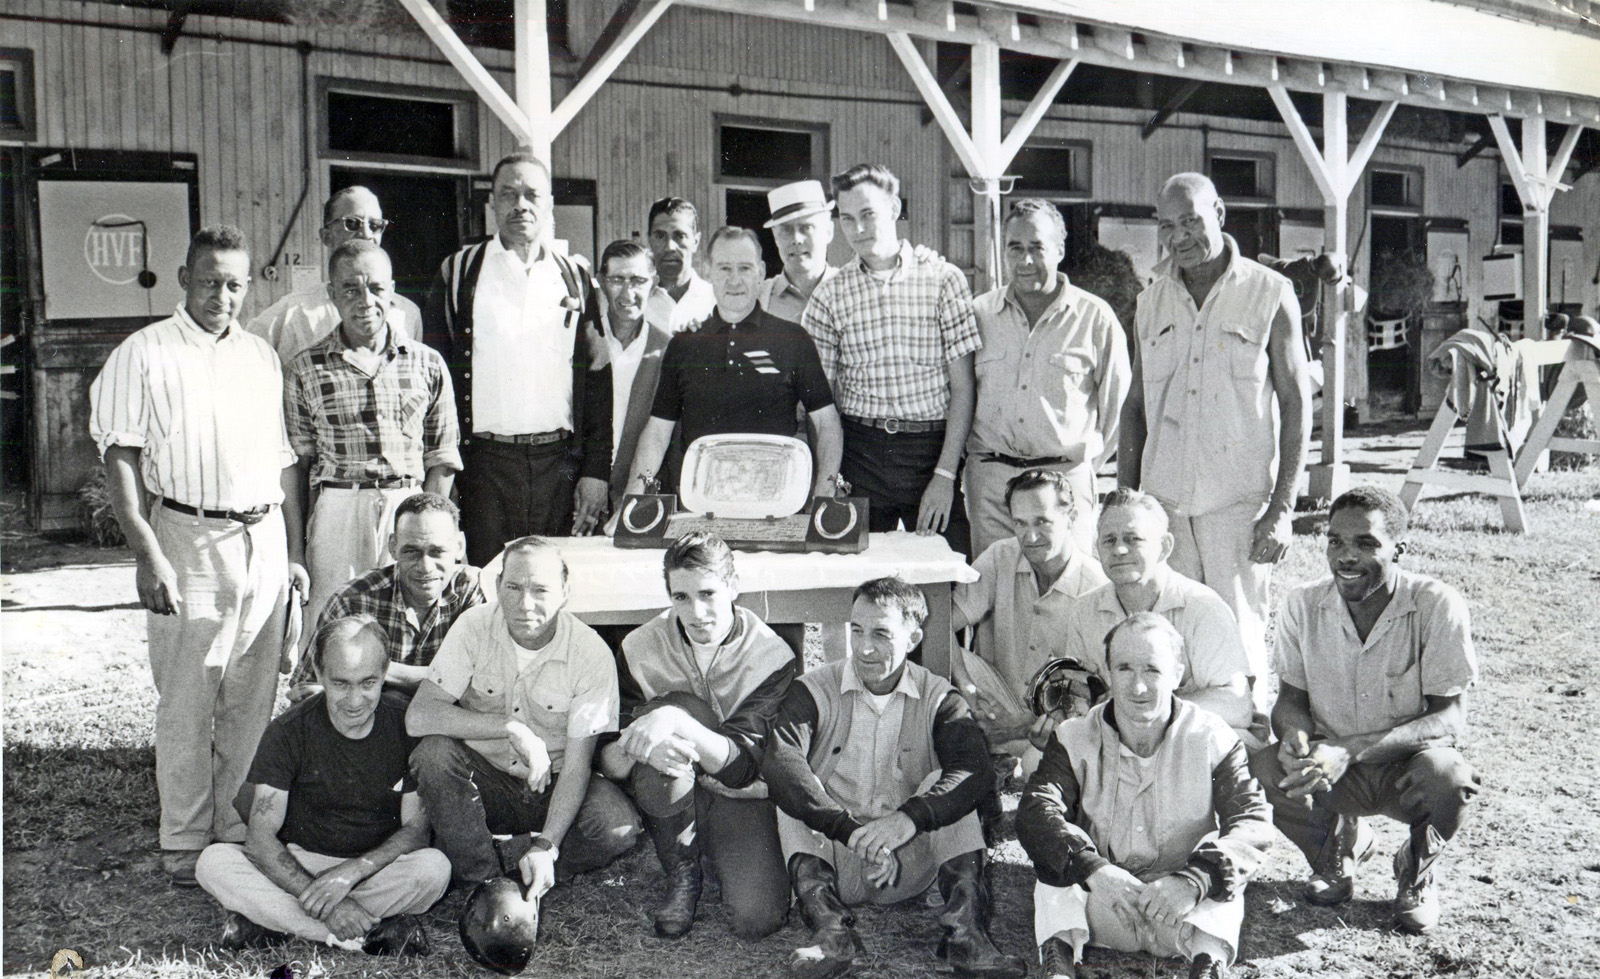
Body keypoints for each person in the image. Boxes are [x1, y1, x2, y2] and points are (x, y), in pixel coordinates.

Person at [89, 224, 306, 886]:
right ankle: (184, 838)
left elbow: (282, 462)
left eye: (235, 283)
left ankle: (236, 829)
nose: (223, 294)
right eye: (210, 280)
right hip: (189, 534)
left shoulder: (260, 357)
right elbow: (119, 454)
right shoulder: (144, 352)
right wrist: (146, 549)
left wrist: (293, 553)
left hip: (262, 535)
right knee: (188, 697)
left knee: (252, 694)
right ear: (184, 278)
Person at [763, 577, 1027, 979]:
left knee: (947, 783)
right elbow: (780, 759)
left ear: (914, 636)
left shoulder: (940, 696)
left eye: (882, 634)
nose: (864, 647)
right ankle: (830, 933)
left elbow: (975, 771)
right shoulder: (814, 688)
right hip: (835, 857)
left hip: (908, 863)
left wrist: (907, 820)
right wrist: (848, 830)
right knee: (795, 788)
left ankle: (964, 936)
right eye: (856, 630)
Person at [1249, 486, 1480, 934]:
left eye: (1366, 543)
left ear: (1400, 549)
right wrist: (1295, 737)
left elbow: (1449, 717)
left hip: (1406, 768)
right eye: (1335, 541)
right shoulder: (1302, 603)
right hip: (1332, 770)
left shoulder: (1437, 604)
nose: (1346, 557)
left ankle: (1416, 868)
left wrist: (1349, 750)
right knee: (1262, 766)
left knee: (1450, 778)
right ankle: (1335, 852)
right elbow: (1291, 702)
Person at [1118, 172, 1311, 699]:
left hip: (1238, 504)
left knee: (1240, 643)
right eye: (1166, 226)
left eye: (1190, 221)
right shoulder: (1151, 302)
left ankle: (1243, 758)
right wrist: (1127, 500)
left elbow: (1296, 403)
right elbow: (1135, 407)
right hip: (1165, 508)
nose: (1178, 237)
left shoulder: (1270, 294)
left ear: (1219, 214)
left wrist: (1282, 507)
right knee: (1167, 642)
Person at [1017, 613, 1274, 979]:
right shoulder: (1073, 735)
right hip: (1104, 904)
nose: (1138, 687)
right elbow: (1036, 810)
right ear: (1106, 674)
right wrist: (1095, 871)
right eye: (1124, 669)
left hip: (1179, 909)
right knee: (1054, 856)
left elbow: (1252, 822)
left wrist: (1192, 882)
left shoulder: (1212, 736)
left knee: (1225, 868)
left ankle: (1207, 964)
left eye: (1152, 670)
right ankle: (1059, 965)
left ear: (1177, 675)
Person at [194, 617, 449, 954]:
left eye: (368, 682)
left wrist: (351, 873)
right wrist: (328, 902)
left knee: (434, 869)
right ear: (318, 672)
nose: (355, 700)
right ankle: (356, 933)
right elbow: (259, 839)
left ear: (386, 672)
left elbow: (415, 832)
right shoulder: (288, 731)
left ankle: (272, 920)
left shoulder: (405, 727)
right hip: (300, 864)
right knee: (213, 862)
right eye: (341, 683)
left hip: (373, 870)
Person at [406, 537, 643, 893]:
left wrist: (548, 844)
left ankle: (514, 862)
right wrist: (510, 728)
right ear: (497, 585)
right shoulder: (473, 626)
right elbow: (419, 716)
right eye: (513, 587)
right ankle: (482, 881)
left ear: (565, 591)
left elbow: (578, 766)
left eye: (540, 590)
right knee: (434, 755)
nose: (524, 604)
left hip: (553, 784)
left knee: (616, 827)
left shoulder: (590, 653)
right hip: (483, 782)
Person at [598, 532, 797, 940]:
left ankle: (711, 847)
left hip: (737, 791)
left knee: (757, 918)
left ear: (733, 587)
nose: (697, 611)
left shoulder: (771, 654)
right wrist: (640, 746)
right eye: (681, 597)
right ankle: (683, 872)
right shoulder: (639, 646)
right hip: (667, 782)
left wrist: (674, 719)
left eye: (708, 593)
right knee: (671, 714)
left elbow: (741, 769)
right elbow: (608, 761)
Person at [424, 153, 612, 565]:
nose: (520, 204)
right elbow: (433, 381)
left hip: (558, 467)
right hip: (484, 468)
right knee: (487, 586)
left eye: (532, 195)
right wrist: (443, 473)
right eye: (508, 194)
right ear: (491, 203)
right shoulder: (458, 273)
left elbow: (598, 379)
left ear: (548, 205)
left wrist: (596, 471)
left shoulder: (576, 277)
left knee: (558, 587)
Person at [284, 240, 460, 639]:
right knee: (335, 628)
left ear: (392, 291)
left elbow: (442, 457)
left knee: (408, 625)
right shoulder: (305, 368)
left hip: (408, 505)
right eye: (351, 289)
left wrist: (434, 531)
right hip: (338, 509)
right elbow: (297, 467)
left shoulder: (427, 363)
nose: (365, 300)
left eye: (377, 289)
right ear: (332, 294)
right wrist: (296, 550)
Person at [803, 163, 981, 556]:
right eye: (847, 219)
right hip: (859, 454)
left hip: (930, 453)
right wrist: (829, 481)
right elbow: (820, 403)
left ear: (895, 208)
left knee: (950, 576)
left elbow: (963, 387)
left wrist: (945, 475)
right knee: (856, 581)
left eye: (868, 214)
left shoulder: (944, 280)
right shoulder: (829, 295)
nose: (858, 229)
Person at [624, 226, 843, 500]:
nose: (735, 280)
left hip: (777, 504)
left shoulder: (792, 339)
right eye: (725, 268)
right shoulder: (684, 345)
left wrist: (825, 492)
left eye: (745, 268)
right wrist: (631, 500)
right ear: (708, 270)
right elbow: (657, 432)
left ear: (761, 272)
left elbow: (826, 423)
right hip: (702, 503)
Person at [967, 199, 1129, 558]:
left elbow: (1119, 409)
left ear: (1059, 249)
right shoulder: (978, 314)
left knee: (1070, 595)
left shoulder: (1095, 318)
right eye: (1015, 248)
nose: (1025, 261)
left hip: (1063, 485)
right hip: (992, 488)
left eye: (1037, 248)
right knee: (997, 594)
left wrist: (1080, 465)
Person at [1060, 489, 1253, 739]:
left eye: (1133, 539)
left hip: (1188, 739)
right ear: (1097, 548)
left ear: (1165, 547)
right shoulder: (1084, 610)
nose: (1119, 550)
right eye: (1109, 540)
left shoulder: (1202, 607)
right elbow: (1079, 696)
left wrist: (1152, 708)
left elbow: (1238, 706)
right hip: (1119, 740)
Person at [952, 468, 1107, 766]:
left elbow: (1093, 694)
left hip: (1053, 720)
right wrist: (968, 686)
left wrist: (1017, 724)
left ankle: (997, 751)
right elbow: (942, 624)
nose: (1030, 536)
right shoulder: (1000, 556)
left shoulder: (1097, 586)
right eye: (1020, 523)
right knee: (927, 647)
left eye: (1042, 522)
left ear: (1071, 518)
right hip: (995, 700)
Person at [286, 492, 484, 704]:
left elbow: (483, 681)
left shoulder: (475, 590)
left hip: (445, 723)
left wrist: (376, 668)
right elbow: (305, 688)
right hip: (371, 724)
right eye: (412, 551)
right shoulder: (354, 600)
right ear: (393, 547)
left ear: (459, 546)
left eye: (437, 551)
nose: (425, 566)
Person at [246, 185, 423, 366]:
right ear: (326, 236)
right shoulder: (289, 315)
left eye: (375, 225)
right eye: (352, 223)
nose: (366, 234)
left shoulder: (407, 314)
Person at [597, 239, 675, 507]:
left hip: (640, 498)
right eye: (617, 280)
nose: (627, 293)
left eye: (638, 281)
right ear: (601, 281)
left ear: (653, 283)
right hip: (581, 496)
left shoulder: (666, 350)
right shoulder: (584, 342)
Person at [758, 179, 840, 325]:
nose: (796, 239)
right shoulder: (758, 299)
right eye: (786, 230)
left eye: (806, 227)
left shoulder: (851, 291)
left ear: (828, 231)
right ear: (775, 237)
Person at [645, 196, 716, 333]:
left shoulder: (715, 299)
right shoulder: (635, 301)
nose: (670, 246)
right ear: (649, 240)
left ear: (695, 241)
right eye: (660, 236)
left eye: (679, 236)